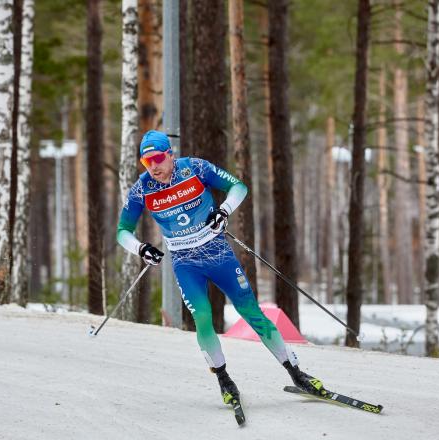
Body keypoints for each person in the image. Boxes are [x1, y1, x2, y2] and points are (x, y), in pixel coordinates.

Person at [117, 130, 325, 405]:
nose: (153, 166)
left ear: (170, 154)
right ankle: (224, 379)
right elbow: (122, 231)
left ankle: (296, 372)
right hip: (185, 263)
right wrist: (141, 249)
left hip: (217, 254)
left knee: (251, 311)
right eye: (146, 162)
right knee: (202, 317)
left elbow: (239, 187)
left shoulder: (194, 168)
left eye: (157, 158)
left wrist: (223, 210)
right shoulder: (143, 188)